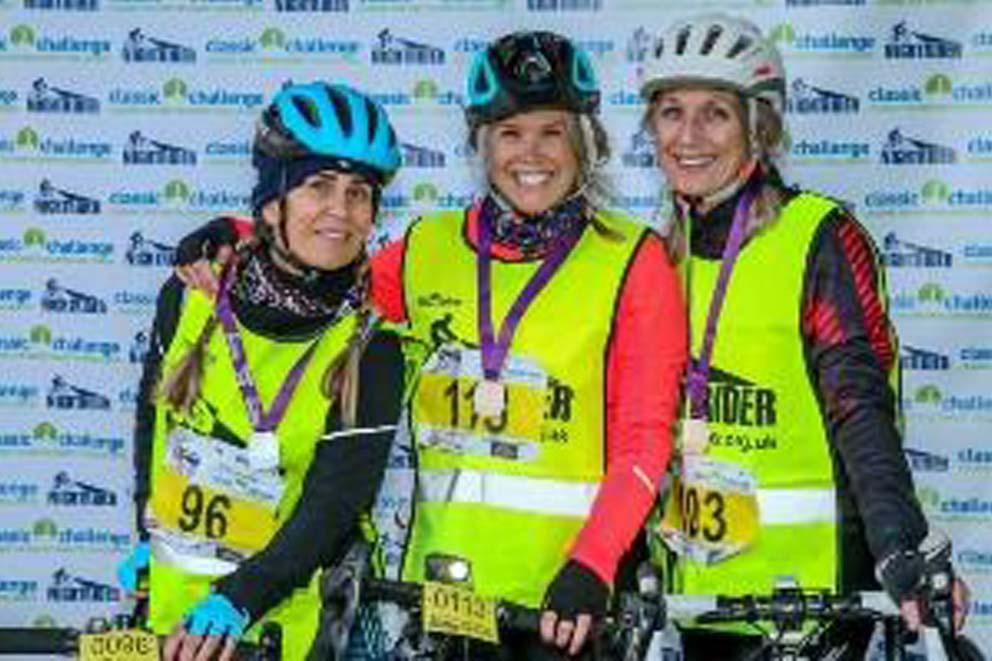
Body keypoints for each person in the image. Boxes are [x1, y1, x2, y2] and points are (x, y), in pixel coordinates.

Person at [171, 30, 687, 658]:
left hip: (564, 607)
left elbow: (644, 437)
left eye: (552, 132)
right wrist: (235, 232)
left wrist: (594, 564)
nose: (532, 154)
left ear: (584, 145)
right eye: (509, 133)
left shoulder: (634, 259)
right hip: (435, 604)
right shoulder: (425, 249)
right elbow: (323, 263)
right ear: (480, 145)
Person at [636, 13, 969, 659]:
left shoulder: (817, 237)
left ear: (759, 127)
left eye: (716, 114)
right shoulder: (657, 255)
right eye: (671, 112)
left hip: (811, 602)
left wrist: (899, 543)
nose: (689, 135)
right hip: (698, 602)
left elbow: (859, 406)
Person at [116, 81, 405, 661]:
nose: (340, 212)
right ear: (273, 202)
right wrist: (148, 527)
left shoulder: (372, 347)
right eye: (318, 187)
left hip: (284, 628)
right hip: (172, 614)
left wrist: (237, 601)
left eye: (358, 194)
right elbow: (156, 424)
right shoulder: (192, 295)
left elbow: (331, 508)